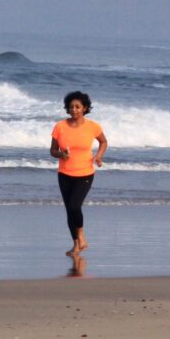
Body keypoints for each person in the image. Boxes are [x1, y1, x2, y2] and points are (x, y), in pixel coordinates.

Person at [50, 90, 107, 256]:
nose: (73, 109)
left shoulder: (93, 126)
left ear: (85, 108)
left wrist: (98, 156)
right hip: (64, 174)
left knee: (75, 206)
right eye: (71, 107)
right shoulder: (60, 126)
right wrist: (61, 154)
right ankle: (76, 244)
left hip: (85, 174)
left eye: (77, 106)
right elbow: (53, 150)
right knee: (69, 210)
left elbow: (103, 142)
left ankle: (81, 235)